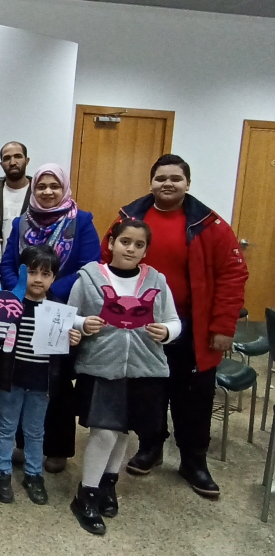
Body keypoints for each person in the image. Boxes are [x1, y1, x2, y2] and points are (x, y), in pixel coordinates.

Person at [103, 154, 248, 498]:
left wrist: (223, 326)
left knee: (193, 397)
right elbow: (105, 263)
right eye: (161, 178)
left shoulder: (210, 225)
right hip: (140, 326)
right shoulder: (129, 217)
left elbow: (233, 275)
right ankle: (150, 446)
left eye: (175, 178)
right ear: (151, 182)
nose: (167, 183)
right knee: (147, 392)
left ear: (187, 183)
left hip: (193, 328)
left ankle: (193, 461)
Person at [68, 219, 181, 535]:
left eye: (139, 245)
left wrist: (167, 331)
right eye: (125, 242)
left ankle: (108, 483)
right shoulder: (90, 278)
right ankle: (86, 493)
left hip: (143, 368)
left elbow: (173, 320)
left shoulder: (156, 280)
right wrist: (82, 324)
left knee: (123, 431)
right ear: (112, 243)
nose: (131, 249)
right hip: (102, 366)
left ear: (146, 250)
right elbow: (69, 316)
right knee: (104, 432)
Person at [0, 163, 100, 473]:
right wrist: (21, 290)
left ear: (64, 188)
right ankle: (22, 444)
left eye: (54, 186)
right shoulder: (21, 223)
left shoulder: (81, 221)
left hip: (61, 310)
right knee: (23, 374)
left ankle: (57, 448)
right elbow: (8, 264)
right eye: (41, 186)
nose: (47, 191)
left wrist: (50, 291)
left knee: (55, 382)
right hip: (24, 307)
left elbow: (89, 266)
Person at [0, 246, 81, 505]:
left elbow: (65, 354)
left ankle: (34, 474)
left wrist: (73, 341)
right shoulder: (10, 304)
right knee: (6, 426)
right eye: (32, 272)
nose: (38, 279)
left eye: (45, 274)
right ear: (21, 273)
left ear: (54, 277)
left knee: (36, 430)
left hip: (43, 382)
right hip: (11, 378)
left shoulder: (58, 310)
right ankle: (2, 472)